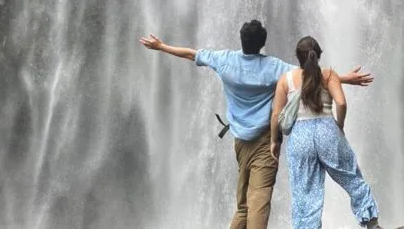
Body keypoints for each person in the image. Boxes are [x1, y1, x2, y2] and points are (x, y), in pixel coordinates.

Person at [139, 20, 374, 229]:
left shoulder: (225, 60)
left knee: (244, 206)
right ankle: (371, 221)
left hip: (240, 142)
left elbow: (192, 54)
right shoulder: (273, 67)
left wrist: (161, 47)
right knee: (259, 201)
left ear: (242, 41)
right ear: (262, 45)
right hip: (264, 142)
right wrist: (345, 78)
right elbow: (310, 75)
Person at [270, 36, 382, 229]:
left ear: (297, 57)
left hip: (300, 137)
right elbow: (341, 102)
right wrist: (340, 125)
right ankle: (371, 223)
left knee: (304, 192)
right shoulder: (329, 74)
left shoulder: (286, 79)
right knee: (351, 176)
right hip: (327, 131)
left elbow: (276, 115)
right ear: (319, 55)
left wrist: (274, 142)